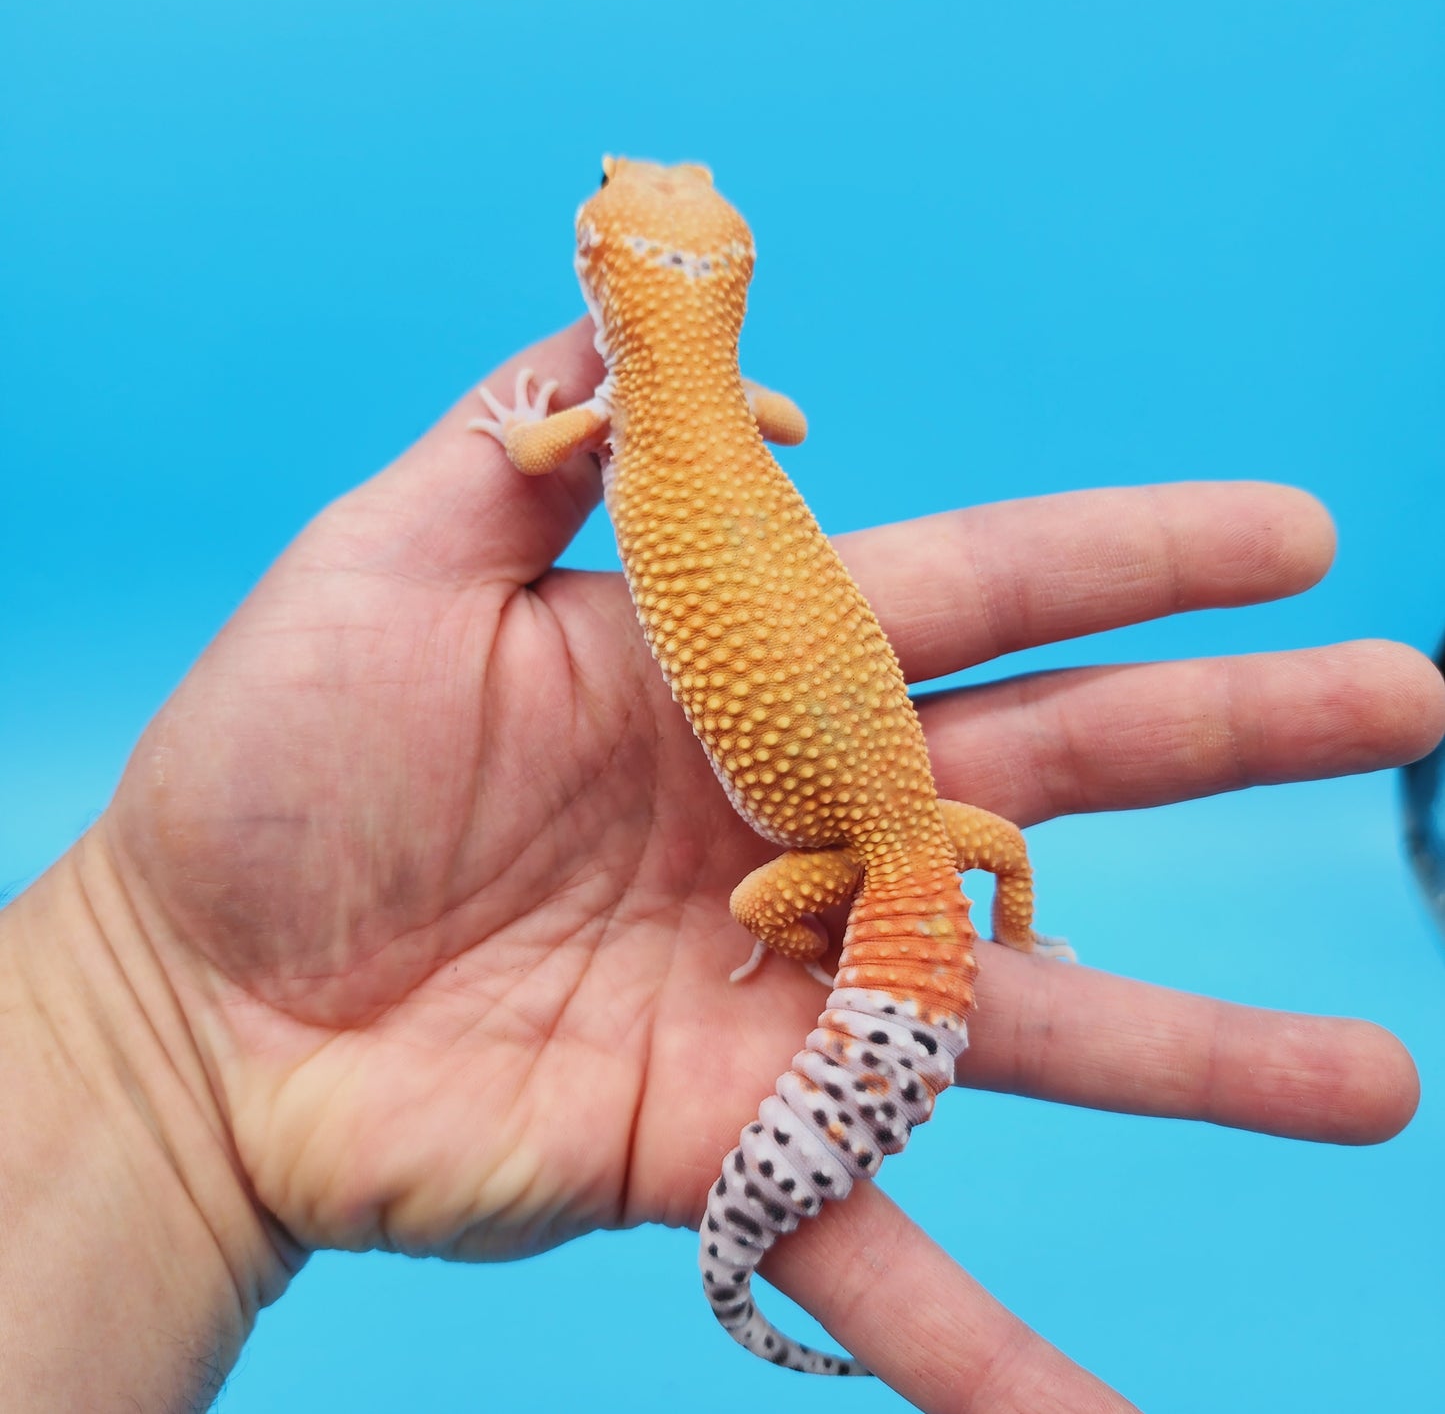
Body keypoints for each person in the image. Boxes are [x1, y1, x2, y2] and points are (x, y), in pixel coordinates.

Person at [3, 319, 1441, 1413]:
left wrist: (532, 428)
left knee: (761, 901)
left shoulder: (610, 413)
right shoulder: (720, 411)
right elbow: (786, 417)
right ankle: (999, 952)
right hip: (919, 839)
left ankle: (825, 1103)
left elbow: (534, 452)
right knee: (951, 863)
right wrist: (1009, 925)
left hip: (865, 853)